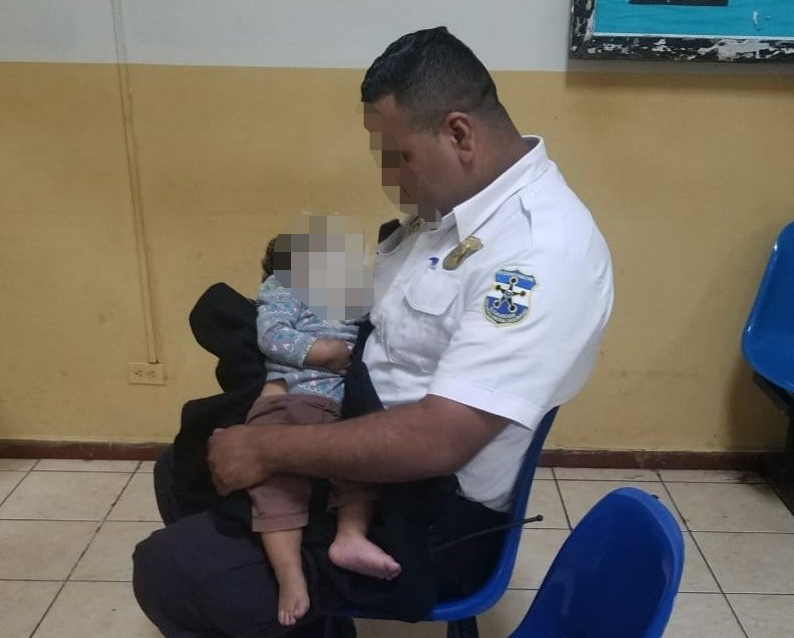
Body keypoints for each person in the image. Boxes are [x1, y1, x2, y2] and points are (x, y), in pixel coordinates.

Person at [133, 26, 613, 638]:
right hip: (361, 431)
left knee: (170, 571)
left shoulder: (539, 253)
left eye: (398, 155)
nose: (391, 177)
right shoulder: (446, 215)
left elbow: (439, 440)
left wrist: (267, 449)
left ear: (459, 134)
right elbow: (373, 327)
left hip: (425, 511)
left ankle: (278, 588)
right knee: (183, 464)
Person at [249, 232, 399, 627]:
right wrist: (322, 353)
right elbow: (271, 335)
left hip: (339, 404)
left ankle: (350, 536)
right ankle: (289, 574)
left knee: (359, 468)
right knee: (277, 488)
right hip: (291, 404)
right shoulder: (284, 288)